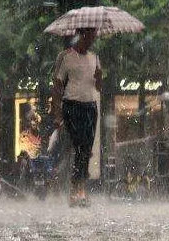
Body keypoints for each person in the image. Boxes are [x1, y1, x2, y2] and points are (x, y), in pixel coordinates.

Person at [49, 27, 102, 207]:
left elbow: (98, 86)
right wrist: (57, 113)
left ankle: (80, 186)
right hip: (72, 106)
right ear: (82, 35)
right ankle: (76, 188)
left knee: (86, 149)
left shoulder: (95, 58)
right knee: (80, 146)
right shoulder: (67, 57)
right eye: (90, 35)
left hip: (90, 107)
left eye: (94, 36)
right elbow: (57, 86)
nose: (92, 39)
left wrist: (100, 77)